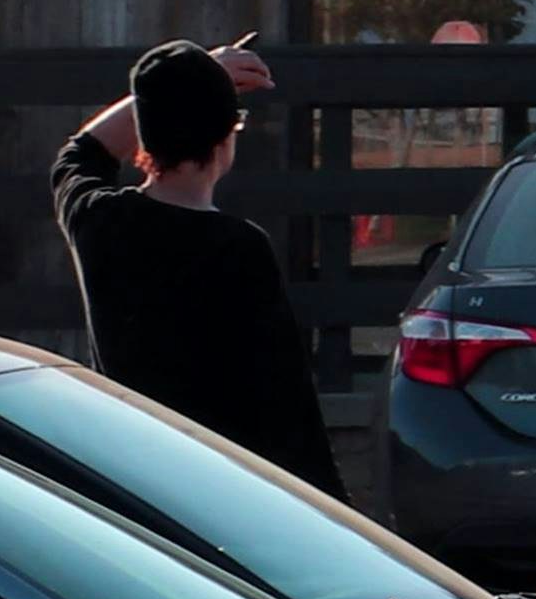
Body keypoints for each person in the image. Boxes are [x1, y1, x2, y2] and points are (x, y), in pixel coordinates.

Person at [50, 35, 336, 491]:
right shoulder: (240, 247)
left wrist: (182, 80)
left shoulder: (98, 222)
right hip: (221, 489)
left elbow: (80, 153)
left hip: (137, 481)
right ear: (226, 136)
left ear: (145, 134)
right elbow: (286, 404)